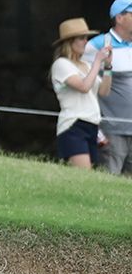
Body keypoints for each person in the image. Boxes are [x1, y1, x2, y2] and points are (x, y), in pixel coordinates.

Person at [50, 18, 109, 168]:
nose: (86, 42)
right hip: (73, 125)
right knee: (84, 176)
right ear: (70, 42)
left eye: (86, 38)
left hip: (92, 124)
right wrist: (97, 62)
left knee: (88, 180)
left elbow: (104, 91)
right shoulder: (61, 64)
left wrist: (108, 67)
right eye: (82, 38)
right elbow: (84, 87)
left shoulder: (87, 66)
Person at [90, 0, 132, 173]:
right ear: (119, 18)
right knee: (110, 178)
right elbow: (85, 79)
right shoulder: (98, 44)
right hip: (112, 127)